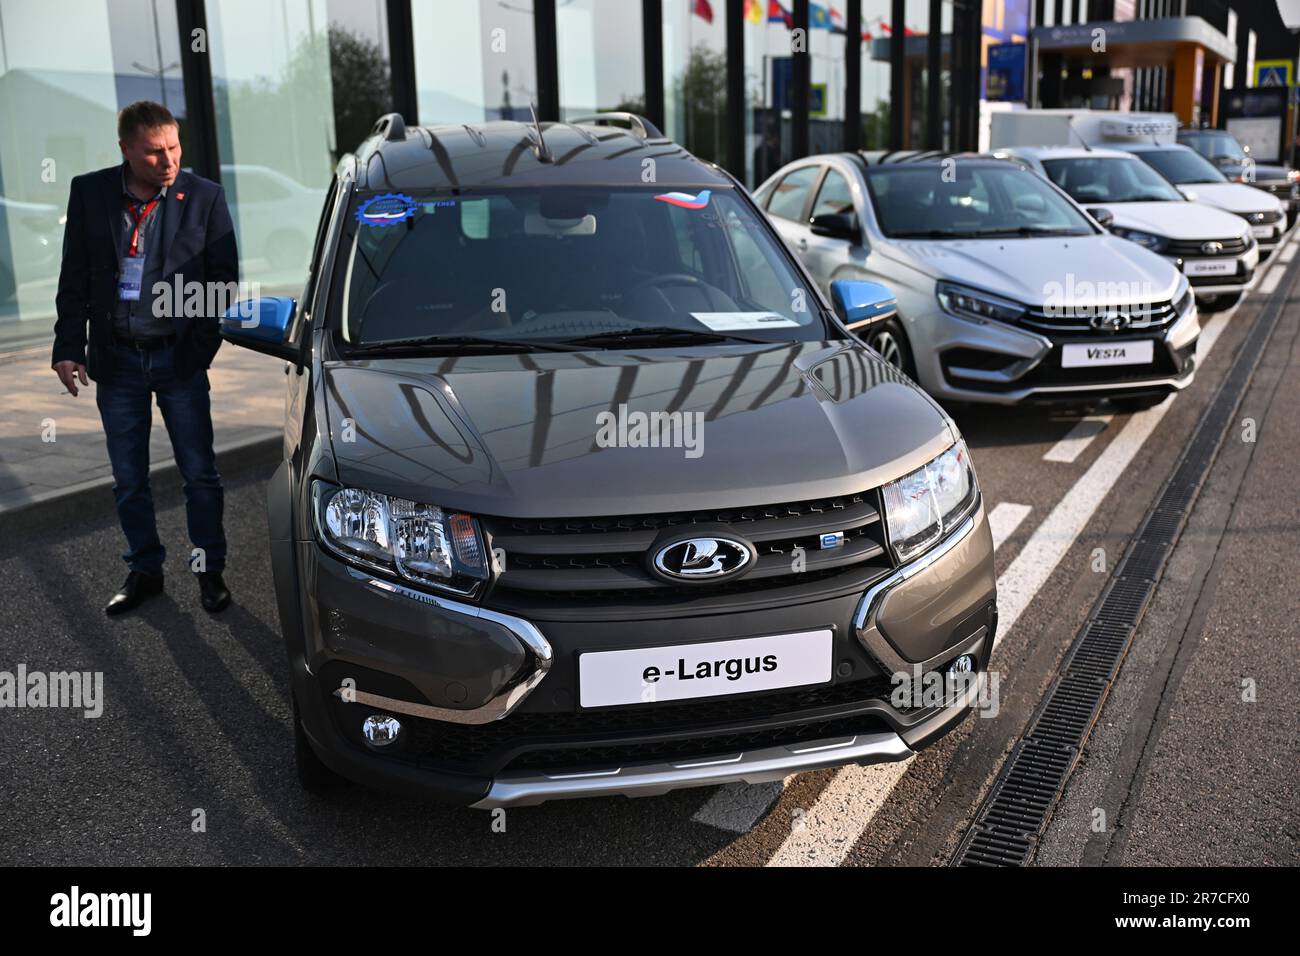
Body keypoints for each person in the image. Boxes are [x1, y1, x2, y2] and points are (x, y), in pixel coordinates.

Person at [52, 100, 237, 616]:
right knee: (129, 478)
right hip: (118, 362)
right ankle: (145, 570)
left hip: (179, 361)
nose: (168, 160)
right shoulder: (91, 193)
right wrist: (68, 346)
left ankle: (210, 571)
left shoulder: (204, 197)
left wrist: (199, 350)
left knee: (200, 473)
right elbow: (74, 276)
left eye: (174, 147)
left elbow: (222, 283)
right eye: (154, 152)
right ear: (126, 150)